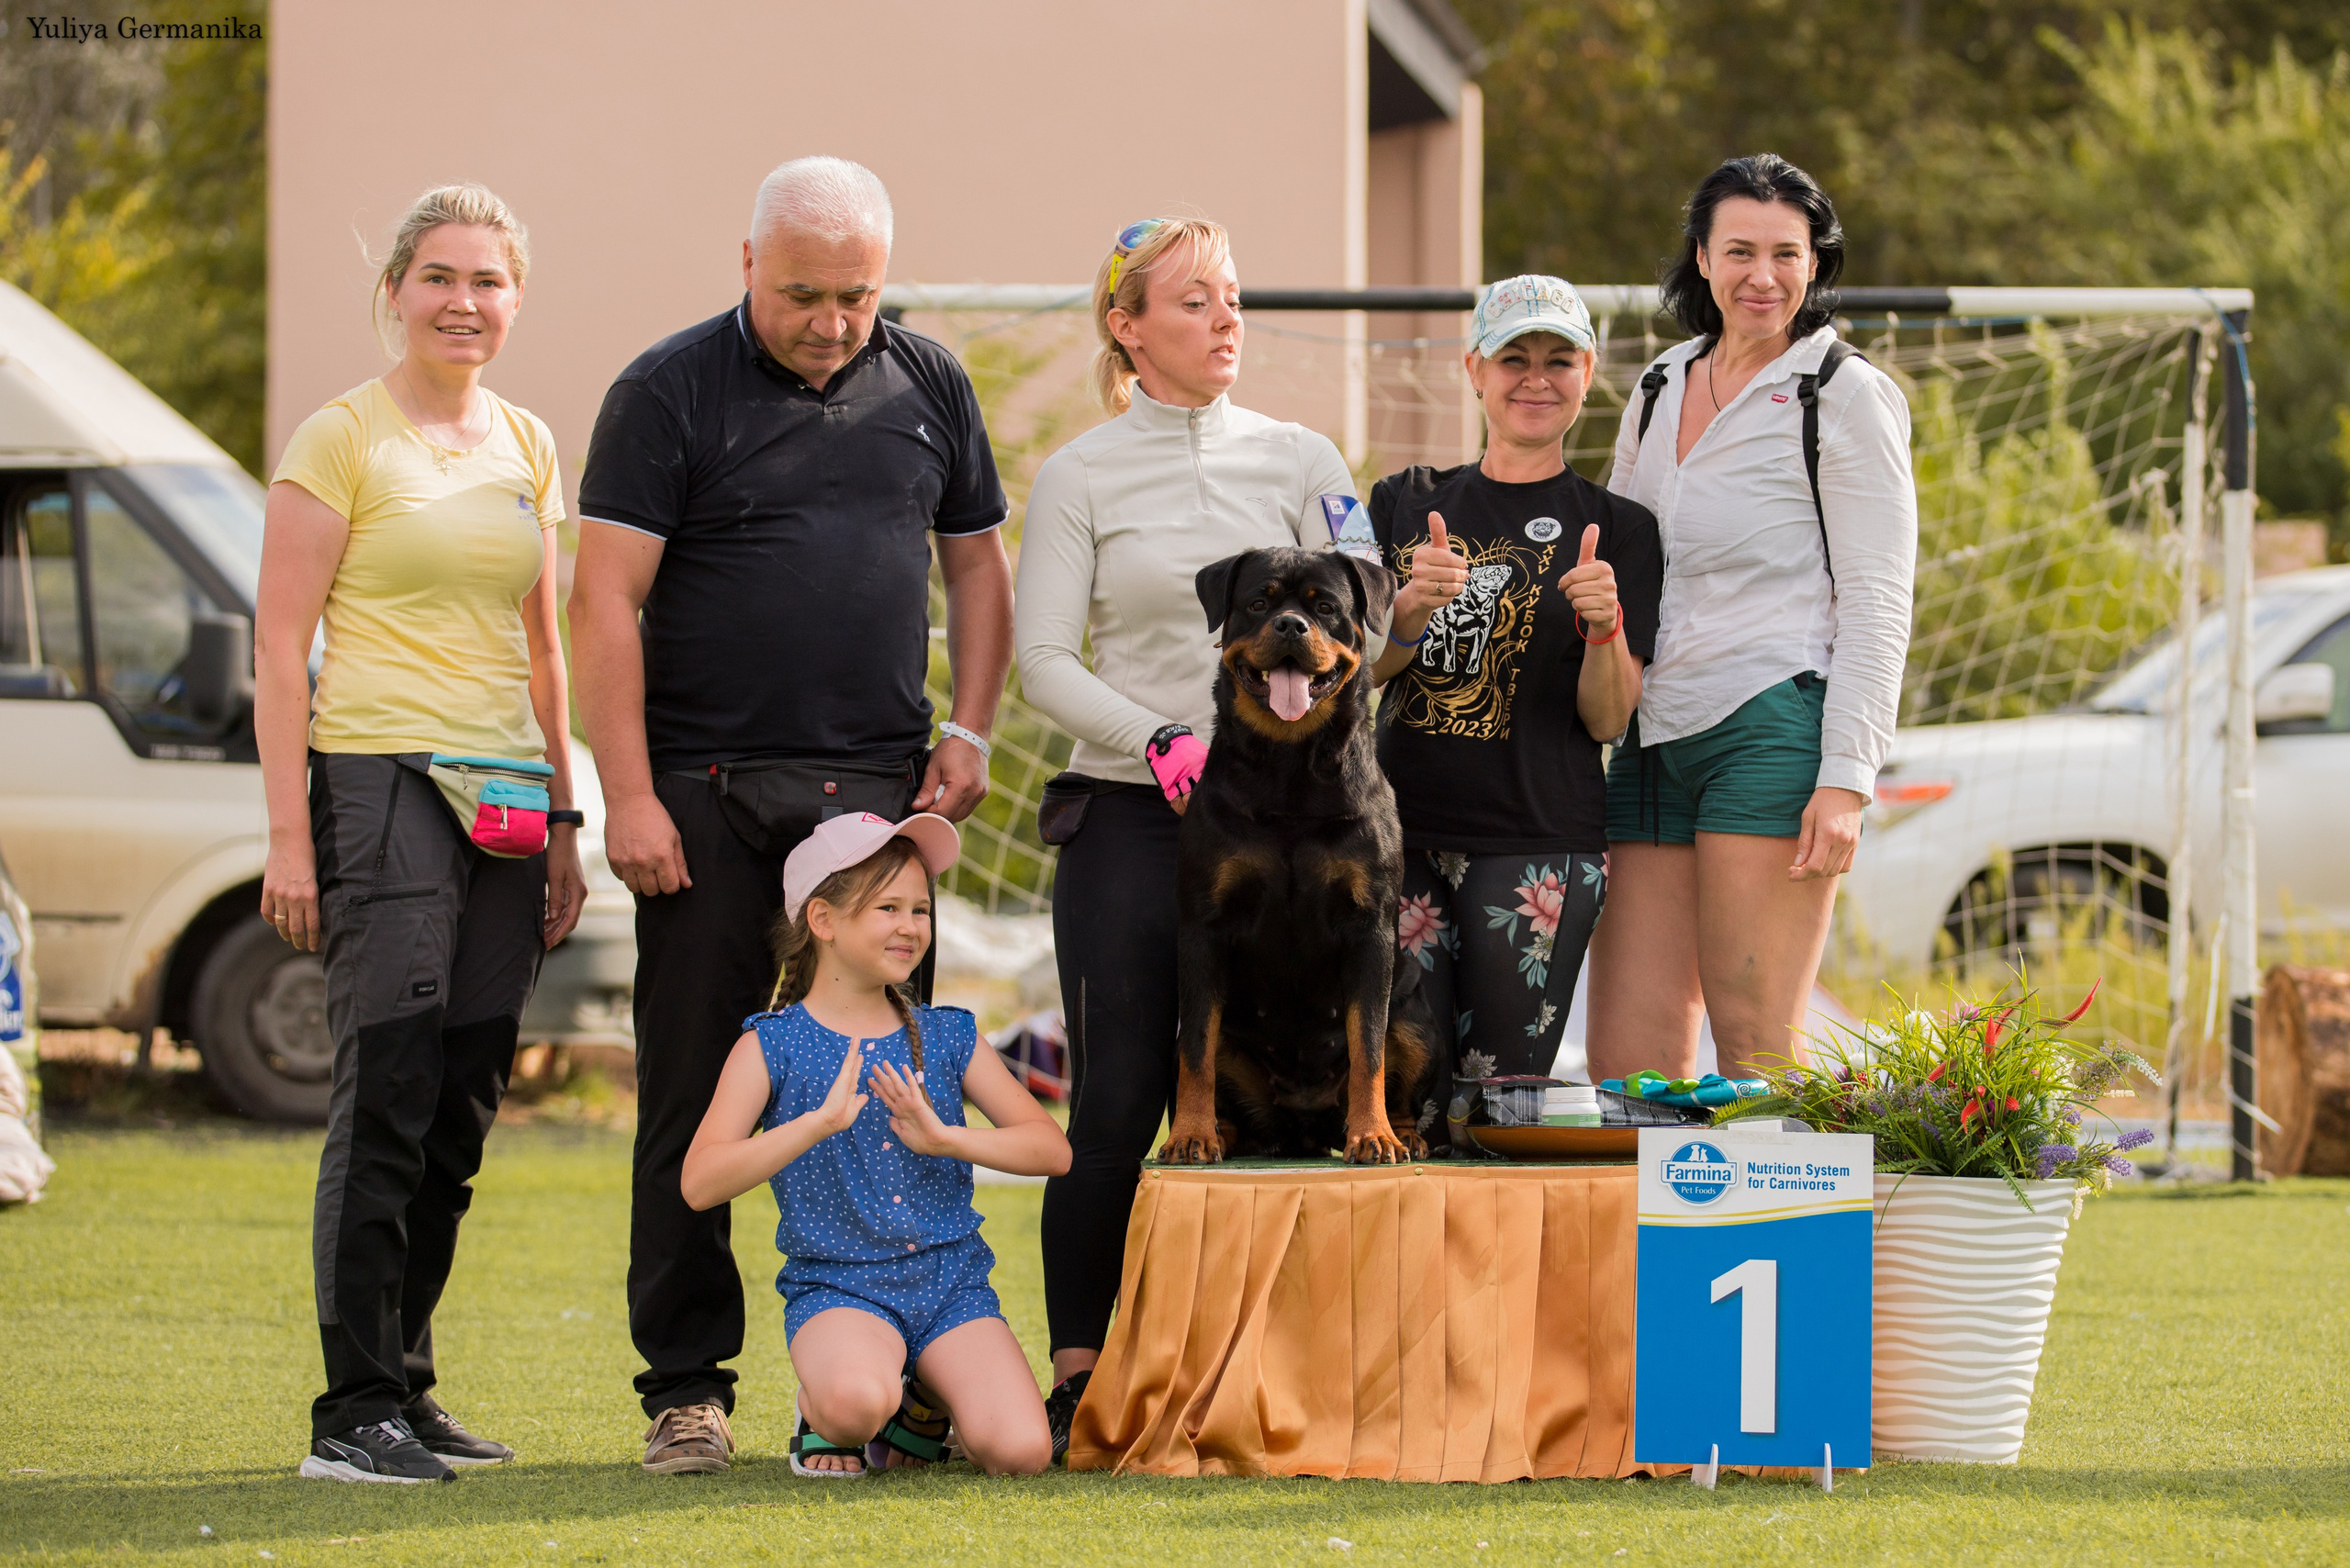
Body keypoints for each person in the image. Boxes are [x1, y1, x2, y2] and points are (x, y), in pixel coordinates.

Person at [570, 156, 1013, 1474]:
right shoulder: (664, 391)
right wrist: (629, 792)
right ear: (746, 263)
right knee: (700, 1088)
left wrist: (972, 728)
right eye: (805, 293)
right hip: (704, 796)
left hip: (876, 802)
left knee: (899, 1083)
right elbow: (603, 601)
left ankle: (914, 1374)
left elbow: (979, 567)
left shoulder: (928, 381)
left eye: (858, 296)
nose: (832, 320)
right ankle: (688, 1389)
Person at [1013, 217, 1360, 1457]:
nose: (1227, 322)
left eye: (1234, 300)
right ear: (1128, 325)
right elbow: (1043, 663)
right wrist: (1161, 742)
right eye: (1196, 301)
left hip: (1282, 831)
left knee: (1282, 1088)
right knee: (1117, 1100)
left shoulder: (1306, 455)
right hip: (1127, 816)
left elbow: (1357, 618)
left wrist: (1407, 605)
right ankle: (1082, 1377)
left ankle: (1274, 1374)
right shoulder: (1081, 473)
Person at [257, 183, 587, 1484]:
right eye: (440, 277)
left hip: (505, 798)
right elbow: (283, 651)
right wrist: (292, 837)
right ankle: (350, 1416)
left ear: (516, 298)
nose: (465, 302)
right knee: (386, 1083)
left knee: (462, 1096)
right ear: (395, 289)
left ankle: (409, 1383)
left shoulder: (529, 442)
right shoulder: (337, 440)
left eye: (489, 281)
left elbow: (544, 647)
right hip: (378, 776)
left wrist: (566, 820)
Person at [1586, 153, 1918, 1082]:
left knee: (1755, 1049)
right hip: (1648, 736)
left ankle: (1775, 1233)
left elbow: (1881, 597)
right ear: (1700, 257)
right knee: (1626, 1066)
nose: (1760, 275)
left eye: (1785, 252)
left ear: (1815, 264)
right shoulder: (1657, 384)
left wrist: (1847, 777)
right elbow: (1615, 560)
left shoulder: (1842, 392)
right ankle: (1652, 1238)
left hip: (1767, 728)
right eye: (1738, 250)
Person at [681, 812, 1067, 1478]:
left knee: (1021, 1452)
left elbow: (1050, 1150)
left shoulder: (948, 1035)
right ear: (823, 920)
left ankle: (920, 1405)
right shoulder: (769, 1045)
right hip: (840, 1288)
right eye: (887, 907)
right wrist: (811, 1125)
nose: (911, 926)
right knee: (856, 1405)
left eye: (920, 908)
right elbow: (699, 1181)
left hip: (952, 1288)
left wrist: (947, 1137)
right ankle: (826, 1410)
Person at [1368, 277, 1662, 1114]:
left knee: (1499, 1106)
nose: (1536, 378)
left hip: (1540, 849)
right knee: (1403, 1104)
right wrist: (1407, 614)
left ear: (1588, 372)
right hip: (1399, 840)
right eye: (1514, 358)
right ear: (1474, 370)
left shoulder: (1622, 528)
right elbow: (1355, 677)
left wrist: (1604, 630)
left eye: (1558, 359)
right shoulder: (1405, 503)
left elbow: (1609, 718)